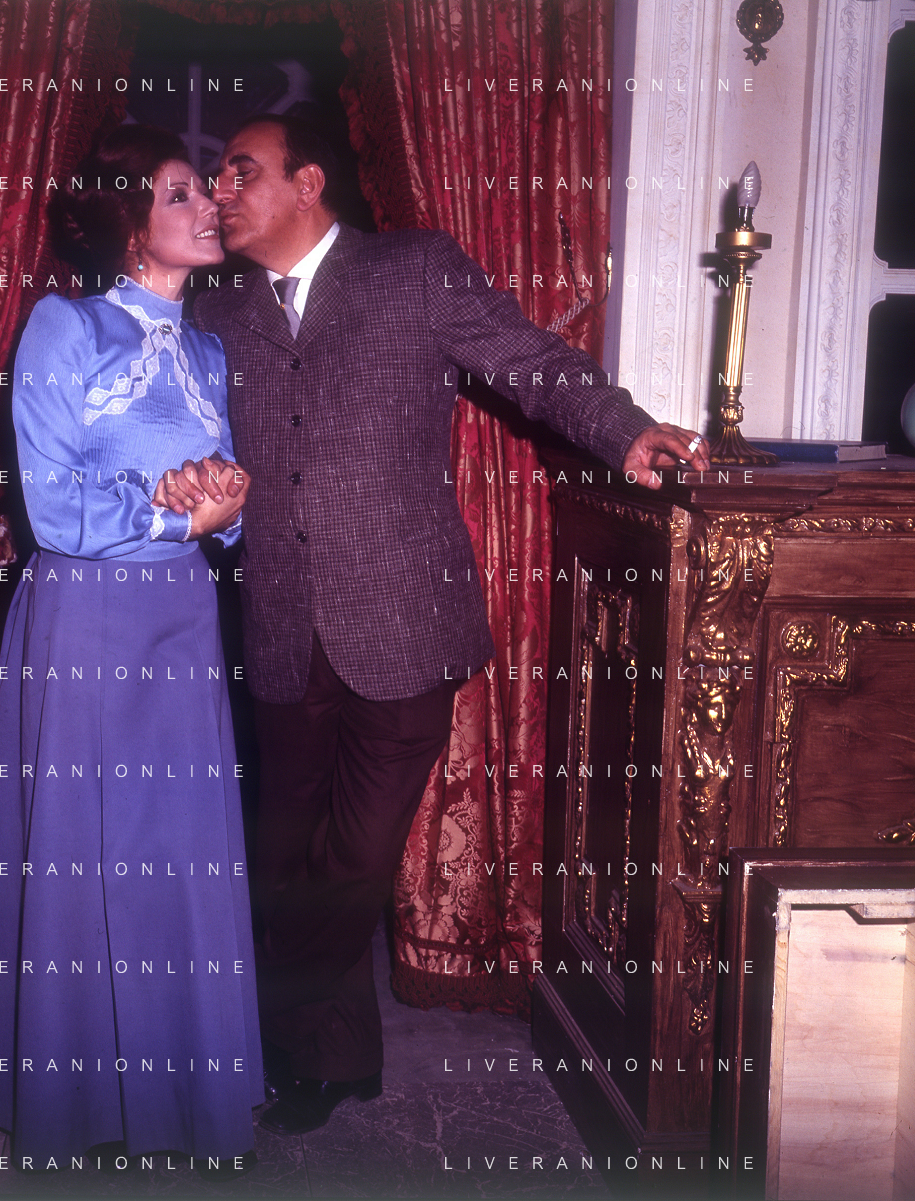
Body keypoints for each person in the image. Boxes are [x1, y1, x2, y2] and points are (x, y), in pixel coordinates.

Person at [155, 113, 712, 1136]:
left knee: (353, 858)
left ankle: (235, 1006)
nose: (220, 193)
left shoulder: (412, 270)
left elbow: (529, 360)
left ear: (308, 182)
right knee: (286, 852)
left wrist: (626, 431)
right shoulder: (218, 307)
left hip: (405, 618)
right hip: (277, 624)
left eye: (240, 172)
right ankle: (333, 1062)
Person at [0, 125, 262, 1171]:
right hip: (85, 619)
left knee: (177, 848)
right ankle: (79, 1099)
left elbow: (227, 515)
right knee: (85, 854)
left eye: (206, 191)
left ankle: (186, 1094)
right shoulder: (66, 325)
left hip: (182, 617)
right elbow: (51, 508)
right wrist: (173, 511)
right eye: (181, 194)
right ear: (130, 222)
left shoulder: (211, 350)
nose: (209, 205)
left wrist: (223, 501)